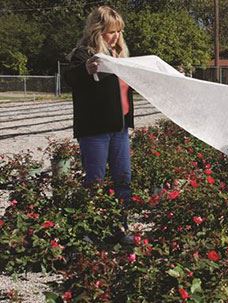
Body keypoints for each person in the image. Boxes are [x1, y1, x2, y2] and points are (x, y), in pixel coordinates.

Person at [64, 6, 134, 243]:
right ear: (97, 30)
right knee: (95, 179)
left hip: (120, 128)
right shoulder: (84, 54)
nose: (115, 36)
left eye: (118, 31)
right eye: (110, 32)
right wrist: (85, 70)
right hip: (95, 129)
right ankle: (91, 230)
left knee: (123, 178)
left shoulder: (121, 56)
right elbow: (70, 78)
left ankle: (120, 227)